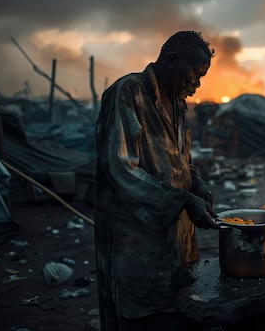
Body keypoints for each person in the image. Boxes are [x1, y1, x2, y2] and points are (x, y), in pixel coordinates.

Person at [94, 31, 219, 331]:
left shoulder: (178, 104)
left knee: (177, 310)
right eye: (195, 74)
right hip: (137, 242)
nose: (197, 83)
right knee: (143, 317)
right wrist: (180, 200)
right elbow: (119, 167)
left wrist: (196, 185)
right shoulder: (127, 93)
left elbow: (181, 161)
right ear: (172, 59)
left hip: (177, 241)